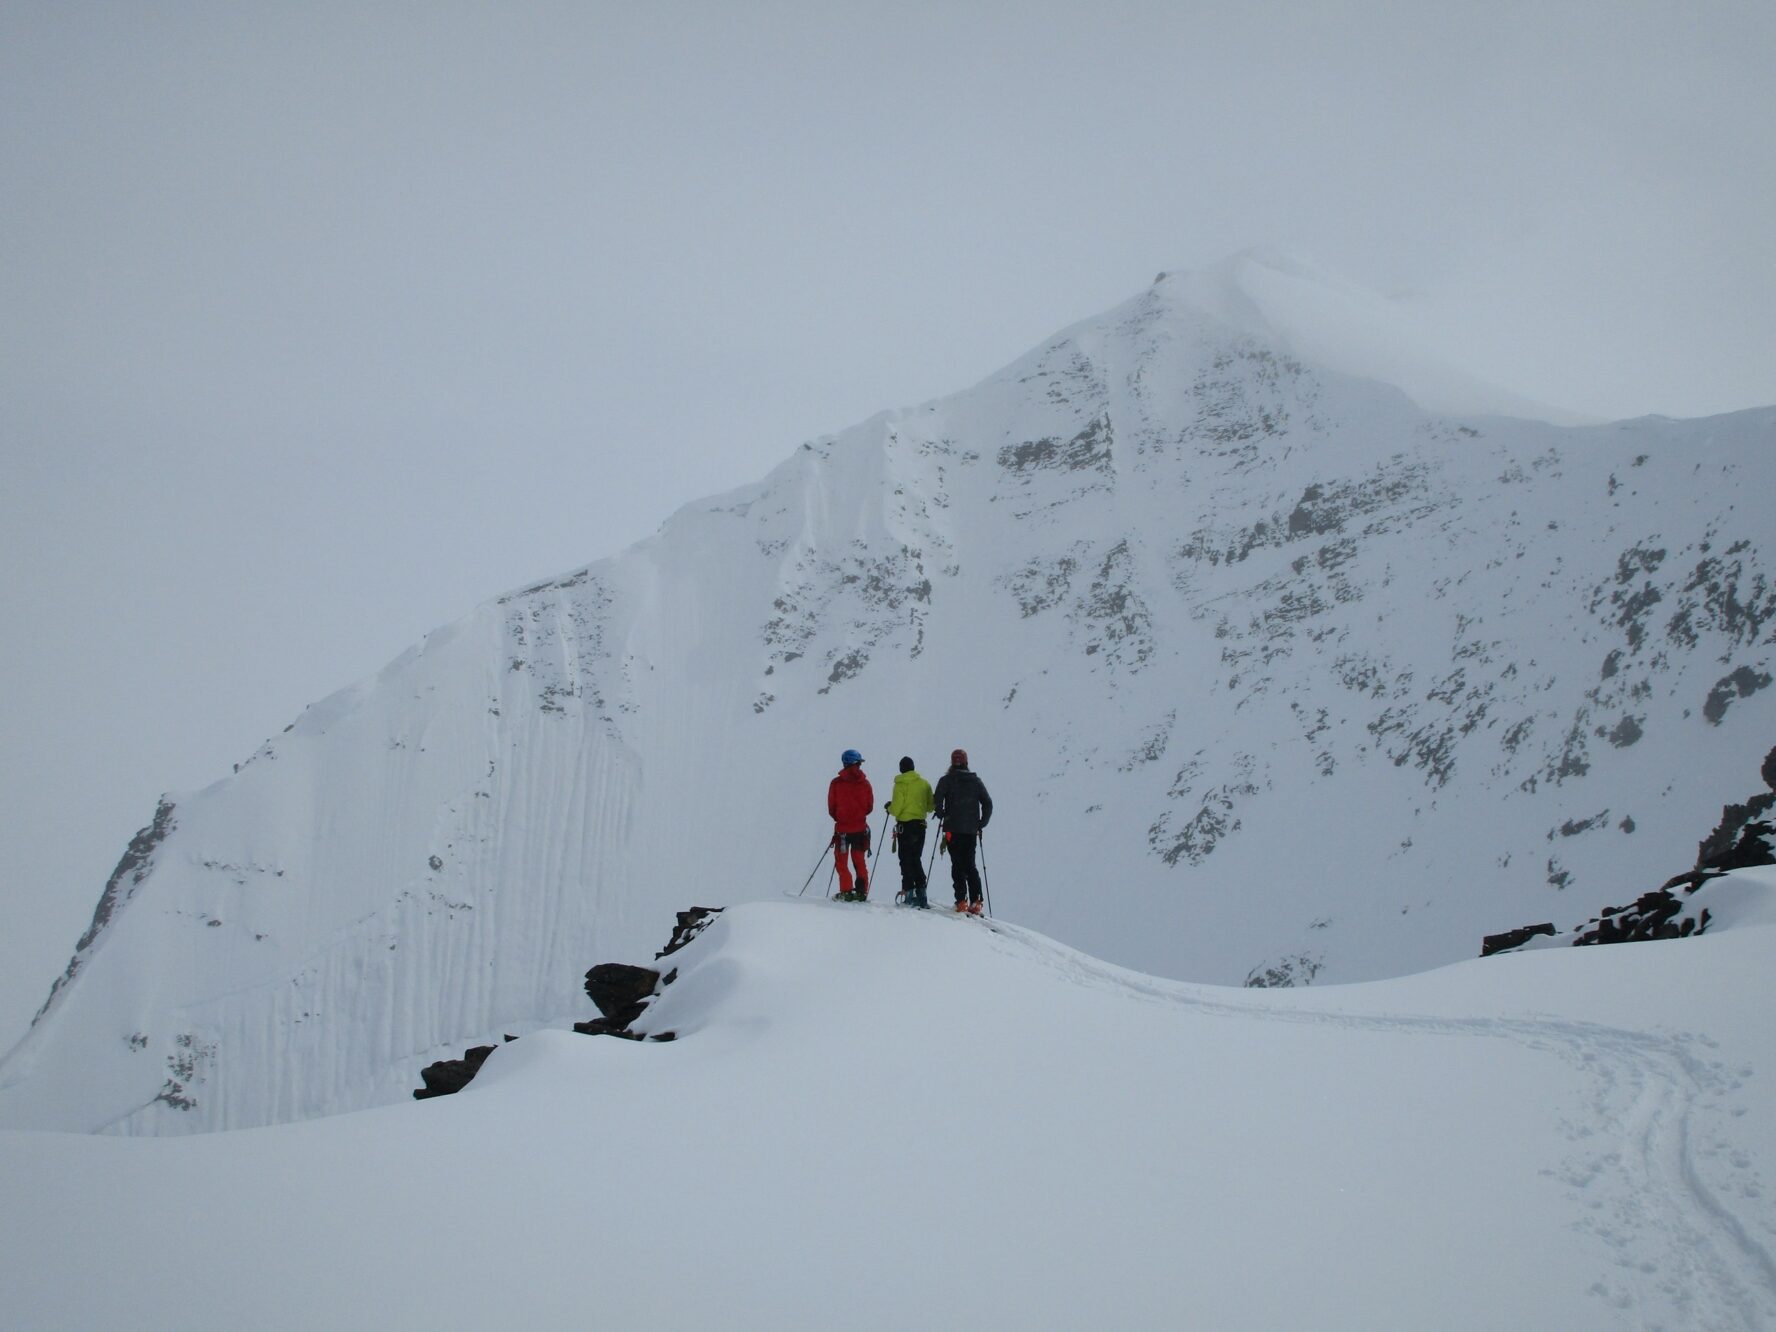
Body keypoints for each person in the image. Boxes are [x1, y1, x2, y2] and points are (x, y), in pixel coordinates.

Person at [934, 748, 992, 914]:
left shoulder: (946, 781)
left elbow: (937, 800)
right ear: (966, 762)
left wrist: (942, 814)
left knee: (957, 865)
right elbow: (987, 803)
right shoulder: (975, 781)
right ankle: (976, 901)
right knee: (970, 865)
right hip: (971, 830)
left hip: (953, 829)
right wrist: (981, 823)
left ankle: (961, 901)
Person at [885, 756, 935, 908]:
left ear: (901, 768)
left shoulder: (900, 785)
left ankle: (909, 893)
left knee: (905, 859)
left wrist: (889, 807)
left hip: (905, 826)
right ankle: (922, 894)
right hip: (920, 825)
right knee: (916, 858)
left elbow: (896, 808)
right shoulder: (924, 784)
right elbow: (930, 807)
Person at [827, 749, 875, 901]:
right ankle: (861, 892)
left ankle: (846, 891)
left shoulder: (836, 783)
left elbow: (831, 808)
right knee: (859, 861)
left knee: (842, 862)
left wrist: (842, 817)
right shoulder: (865, 783)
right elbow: (869, 807)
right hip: (860, 829)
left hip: (842, 830)